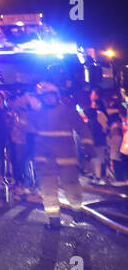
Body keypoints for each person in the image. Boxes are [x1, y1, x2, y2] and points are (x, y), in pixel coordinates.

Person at [27, 80, 94, 230]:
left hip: (66, 160)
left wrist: (88, 148)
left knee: (72, 187)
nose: (49, 98)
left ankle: (77, 212)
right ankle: (54, 221)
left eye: (51, 95)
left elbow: (83, 130)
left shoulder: (68, 112)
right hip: (46, 161)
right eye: (45, 96)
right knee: (48, 191)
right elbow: (28, 134)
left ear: (57, 95)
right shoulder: (36, 114)